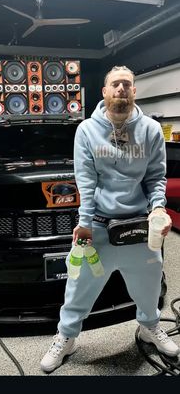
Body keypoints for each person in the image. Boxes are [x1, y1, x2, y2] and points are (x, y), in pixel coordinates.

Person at [40, 65, 180, 373]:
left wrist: (158, 207)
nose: (121, 89)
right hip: (99, 227)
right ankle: (67, 336)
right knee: (78, 287)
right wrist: (85, 222)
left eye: (127, 85)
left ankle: (149, 326)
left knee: (149, 283)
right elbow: (86, 180)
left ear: (134, 92)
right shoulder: (87, 131)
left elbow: (156, 176)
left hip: (139, 227)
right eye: (115, 84)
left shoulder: (151, 130)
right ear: (104, 92)